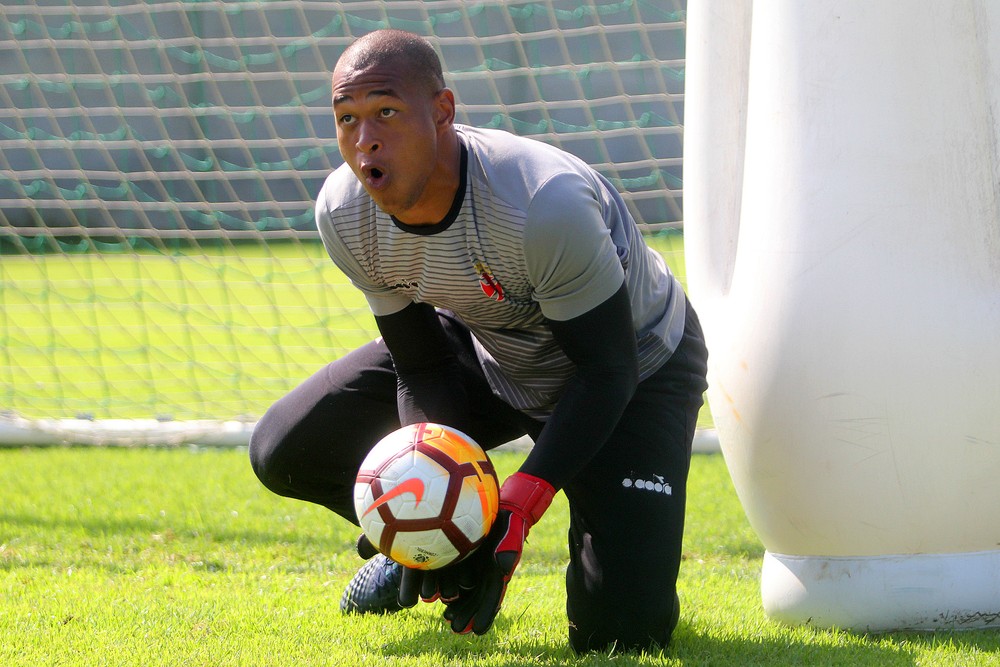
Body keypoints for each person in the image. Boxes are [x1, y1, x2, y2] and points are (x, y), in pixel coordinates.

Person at [249, 28, 708, 654]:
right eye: (346, 118)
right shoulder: (345, 211)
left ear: (443, 111)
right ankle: (413, 546)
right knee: (287, 448)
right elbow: (421, 367)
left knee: (622, 635)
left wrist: (520, 501)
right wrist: (435, 500)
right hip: (491, 347)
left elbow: (607, 371)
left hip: (633, 369)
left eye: (387, 112)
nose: (364, 141)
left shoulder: (541, 203)